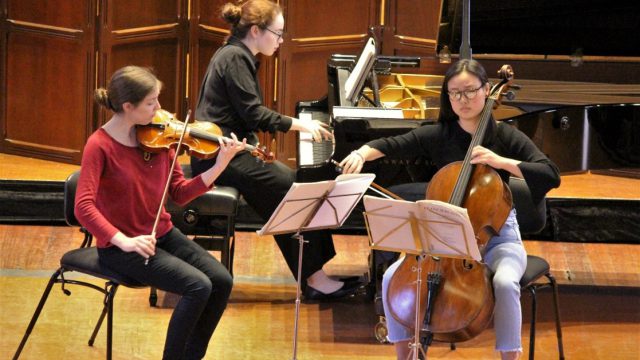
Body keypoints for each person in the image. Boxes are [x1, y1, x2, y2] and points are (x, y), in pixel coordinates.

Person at [339, 59, 561, 360]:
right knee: (392, 277)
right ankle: (406, 355)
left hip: (497, 240)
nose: (463, 100)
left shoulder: (505, 136)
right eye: (455, 93)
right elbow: (394, 144)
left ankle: (509, 357)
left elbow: (550, 174)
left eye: (470, 91)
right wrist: (362, 153)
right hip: (445, 242)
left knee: (505, 282)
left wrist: (501, 162)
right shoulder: (441, 133)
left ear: (486, 91)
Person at [191, 0, 361, 300]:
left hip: (230, 151)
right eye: (278, 33)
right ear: (256, 31)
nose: (281, 41)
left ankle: (314, 275)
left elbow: (245, 116)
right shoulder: (234, 58)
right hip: (220, 157)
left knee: (297, 186)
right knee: (295, 190)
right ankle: (314, 279)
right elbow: (254, 115)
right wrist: (302, 125)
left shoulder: (237, 54)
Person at [75, 65, 246, 359]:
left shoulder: (160, 140)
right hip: (122, 248)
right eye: (151, 102)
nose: (160, 109)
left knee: (221, 281)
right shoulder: (99, 146)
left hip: (162, 234)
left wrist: (220, 166)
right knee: (197, 286)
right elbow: (83, 206)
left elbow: (178, 192)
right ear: (128, 107)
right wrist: (123, 241)